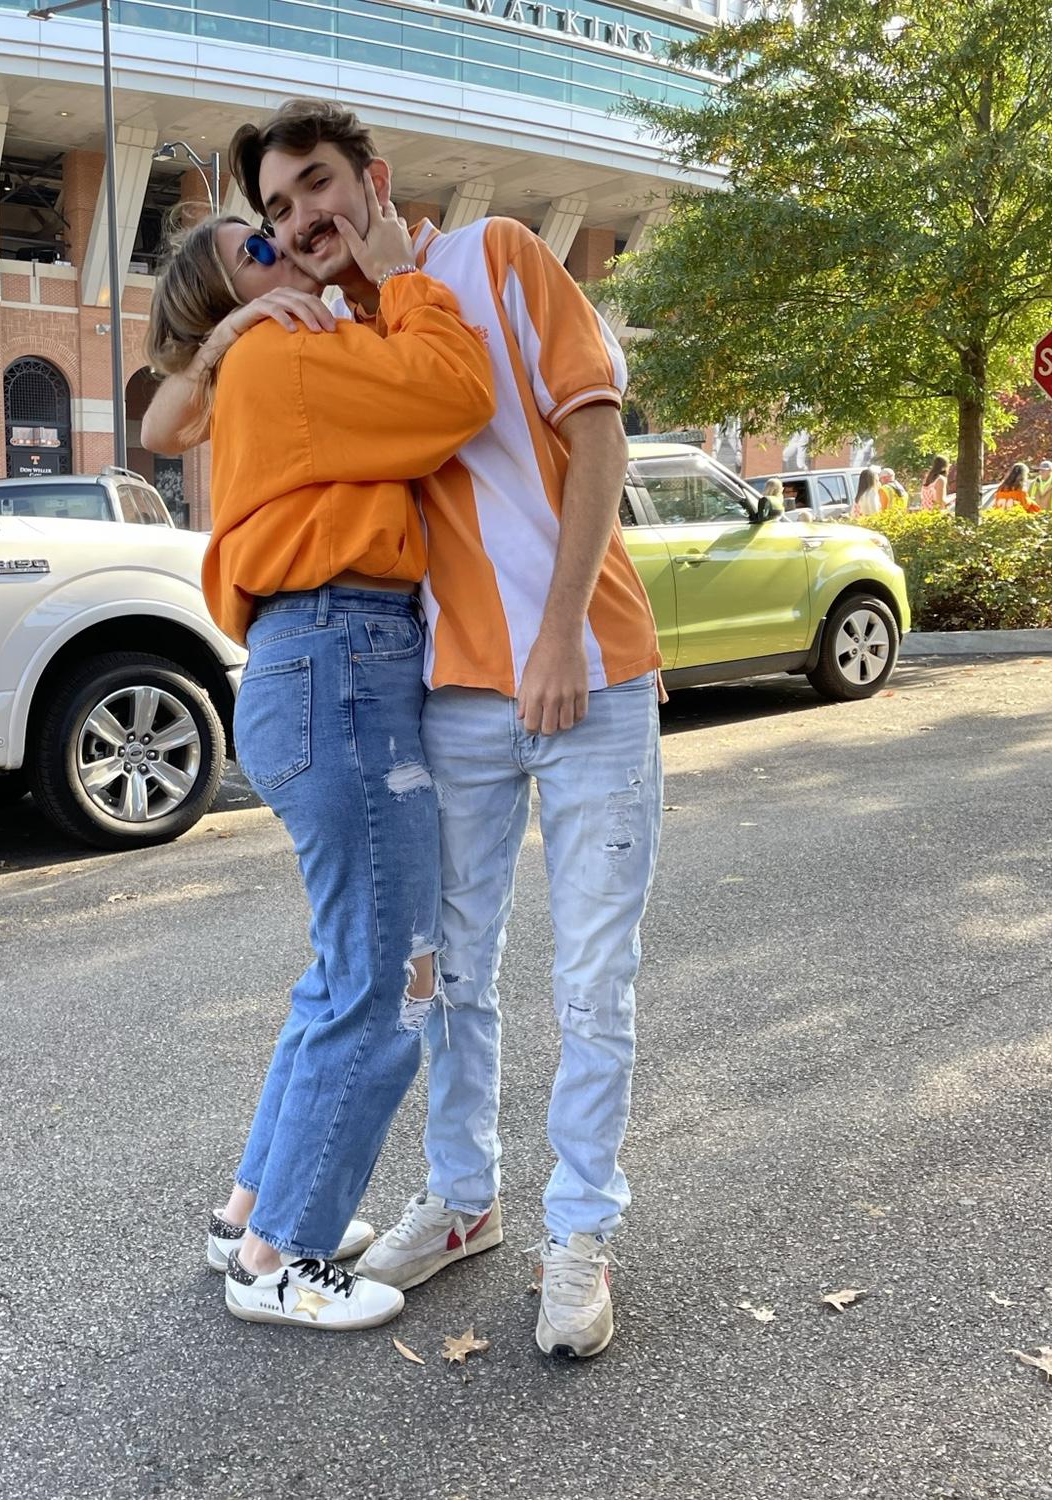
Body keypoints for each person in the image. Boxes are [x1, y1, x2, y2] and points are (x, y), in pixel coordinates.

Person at [147, 99, 665, 1360]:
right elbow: (169, 420)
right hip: (437, 693)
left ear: (373, 178)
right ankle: (458, 1200)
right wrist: (227, 344)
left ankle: (579, 1233)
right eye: (273, 213)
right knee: (440, 976)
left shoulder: (492, 256)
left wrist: (557, 636)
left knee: (586, 981)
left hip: (583, 668)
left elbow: (594, 432)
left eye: (314, 187)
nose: (298, 220)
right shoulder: (332, 326)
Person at [149, 188, 497, 1331]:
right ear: (236, 297)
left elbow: (167, 419)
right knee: (385, 980)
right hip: (343, 660)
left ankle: (254, 1207)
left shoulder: (268, 355)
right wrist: (400, 275)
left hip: (317, 665)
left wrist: (229, 337)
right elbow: (455, 393)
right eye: (258, 248)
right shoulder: (290, 357)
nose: (285, 243)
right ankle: (280, 1258)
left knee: (340, 970)